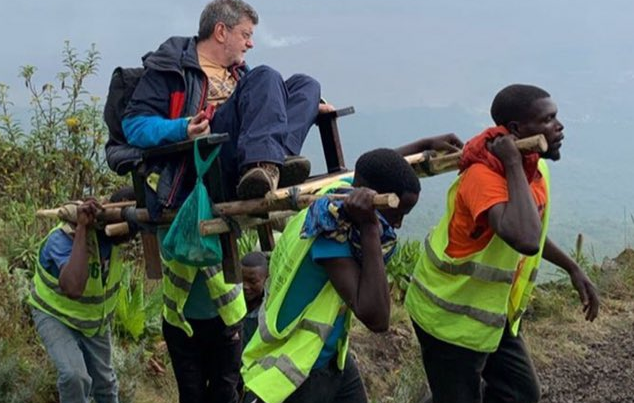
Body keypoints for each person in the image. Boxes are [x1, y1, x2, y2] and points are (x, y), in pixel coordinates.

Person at [404, 84, 600, 403]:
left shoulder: (531, 170)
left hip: (494, 316)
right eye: (548, 119)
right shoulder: (483, 177)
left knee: (521, 394)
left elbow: (530, 226)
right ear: (515, 131)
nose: (559, 126)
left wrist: (572, 266)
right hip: (448, 319)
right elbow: (524, 238)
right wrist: (510, 163)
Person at [241, 146, 423, 403]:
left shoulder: (338, 189)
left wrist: (424, 145)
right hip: (298, 368)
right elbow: (377, 318)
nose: (398, 225)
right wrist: (370, 226)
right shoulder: (331, 233)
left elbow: (372, 168)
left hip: (331, 357)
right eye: (397, 214)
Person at [122, 0, 334, 203]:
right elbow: (133, 126)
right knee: (265, 76)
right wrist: (184, 128)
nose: (250, 44)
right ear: (221, 32)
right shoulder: (171, 68)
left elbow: (263, 113)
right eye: (245, 35)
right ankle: (264, 164)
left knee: (307, 86)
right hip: (207, 161)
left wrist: (307, 107)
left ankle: (273, 166)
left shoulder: (239, 73)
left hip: (243, 147)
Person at [28, 188, 136, 403]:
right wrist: (82, 230)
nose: (131, 236)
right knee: (74, 376)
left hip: (92, 322)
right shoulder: (63, 238)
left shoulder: (114, 241)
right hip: (54, 315)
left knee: (105, 383)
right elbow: (74, 287)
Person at [241, 251, 269, 347]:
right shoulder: (232, 305)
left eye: (252, 281)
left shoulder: (269, 310)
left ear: (266, 278)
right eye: (241, 280)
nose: (245, 286)